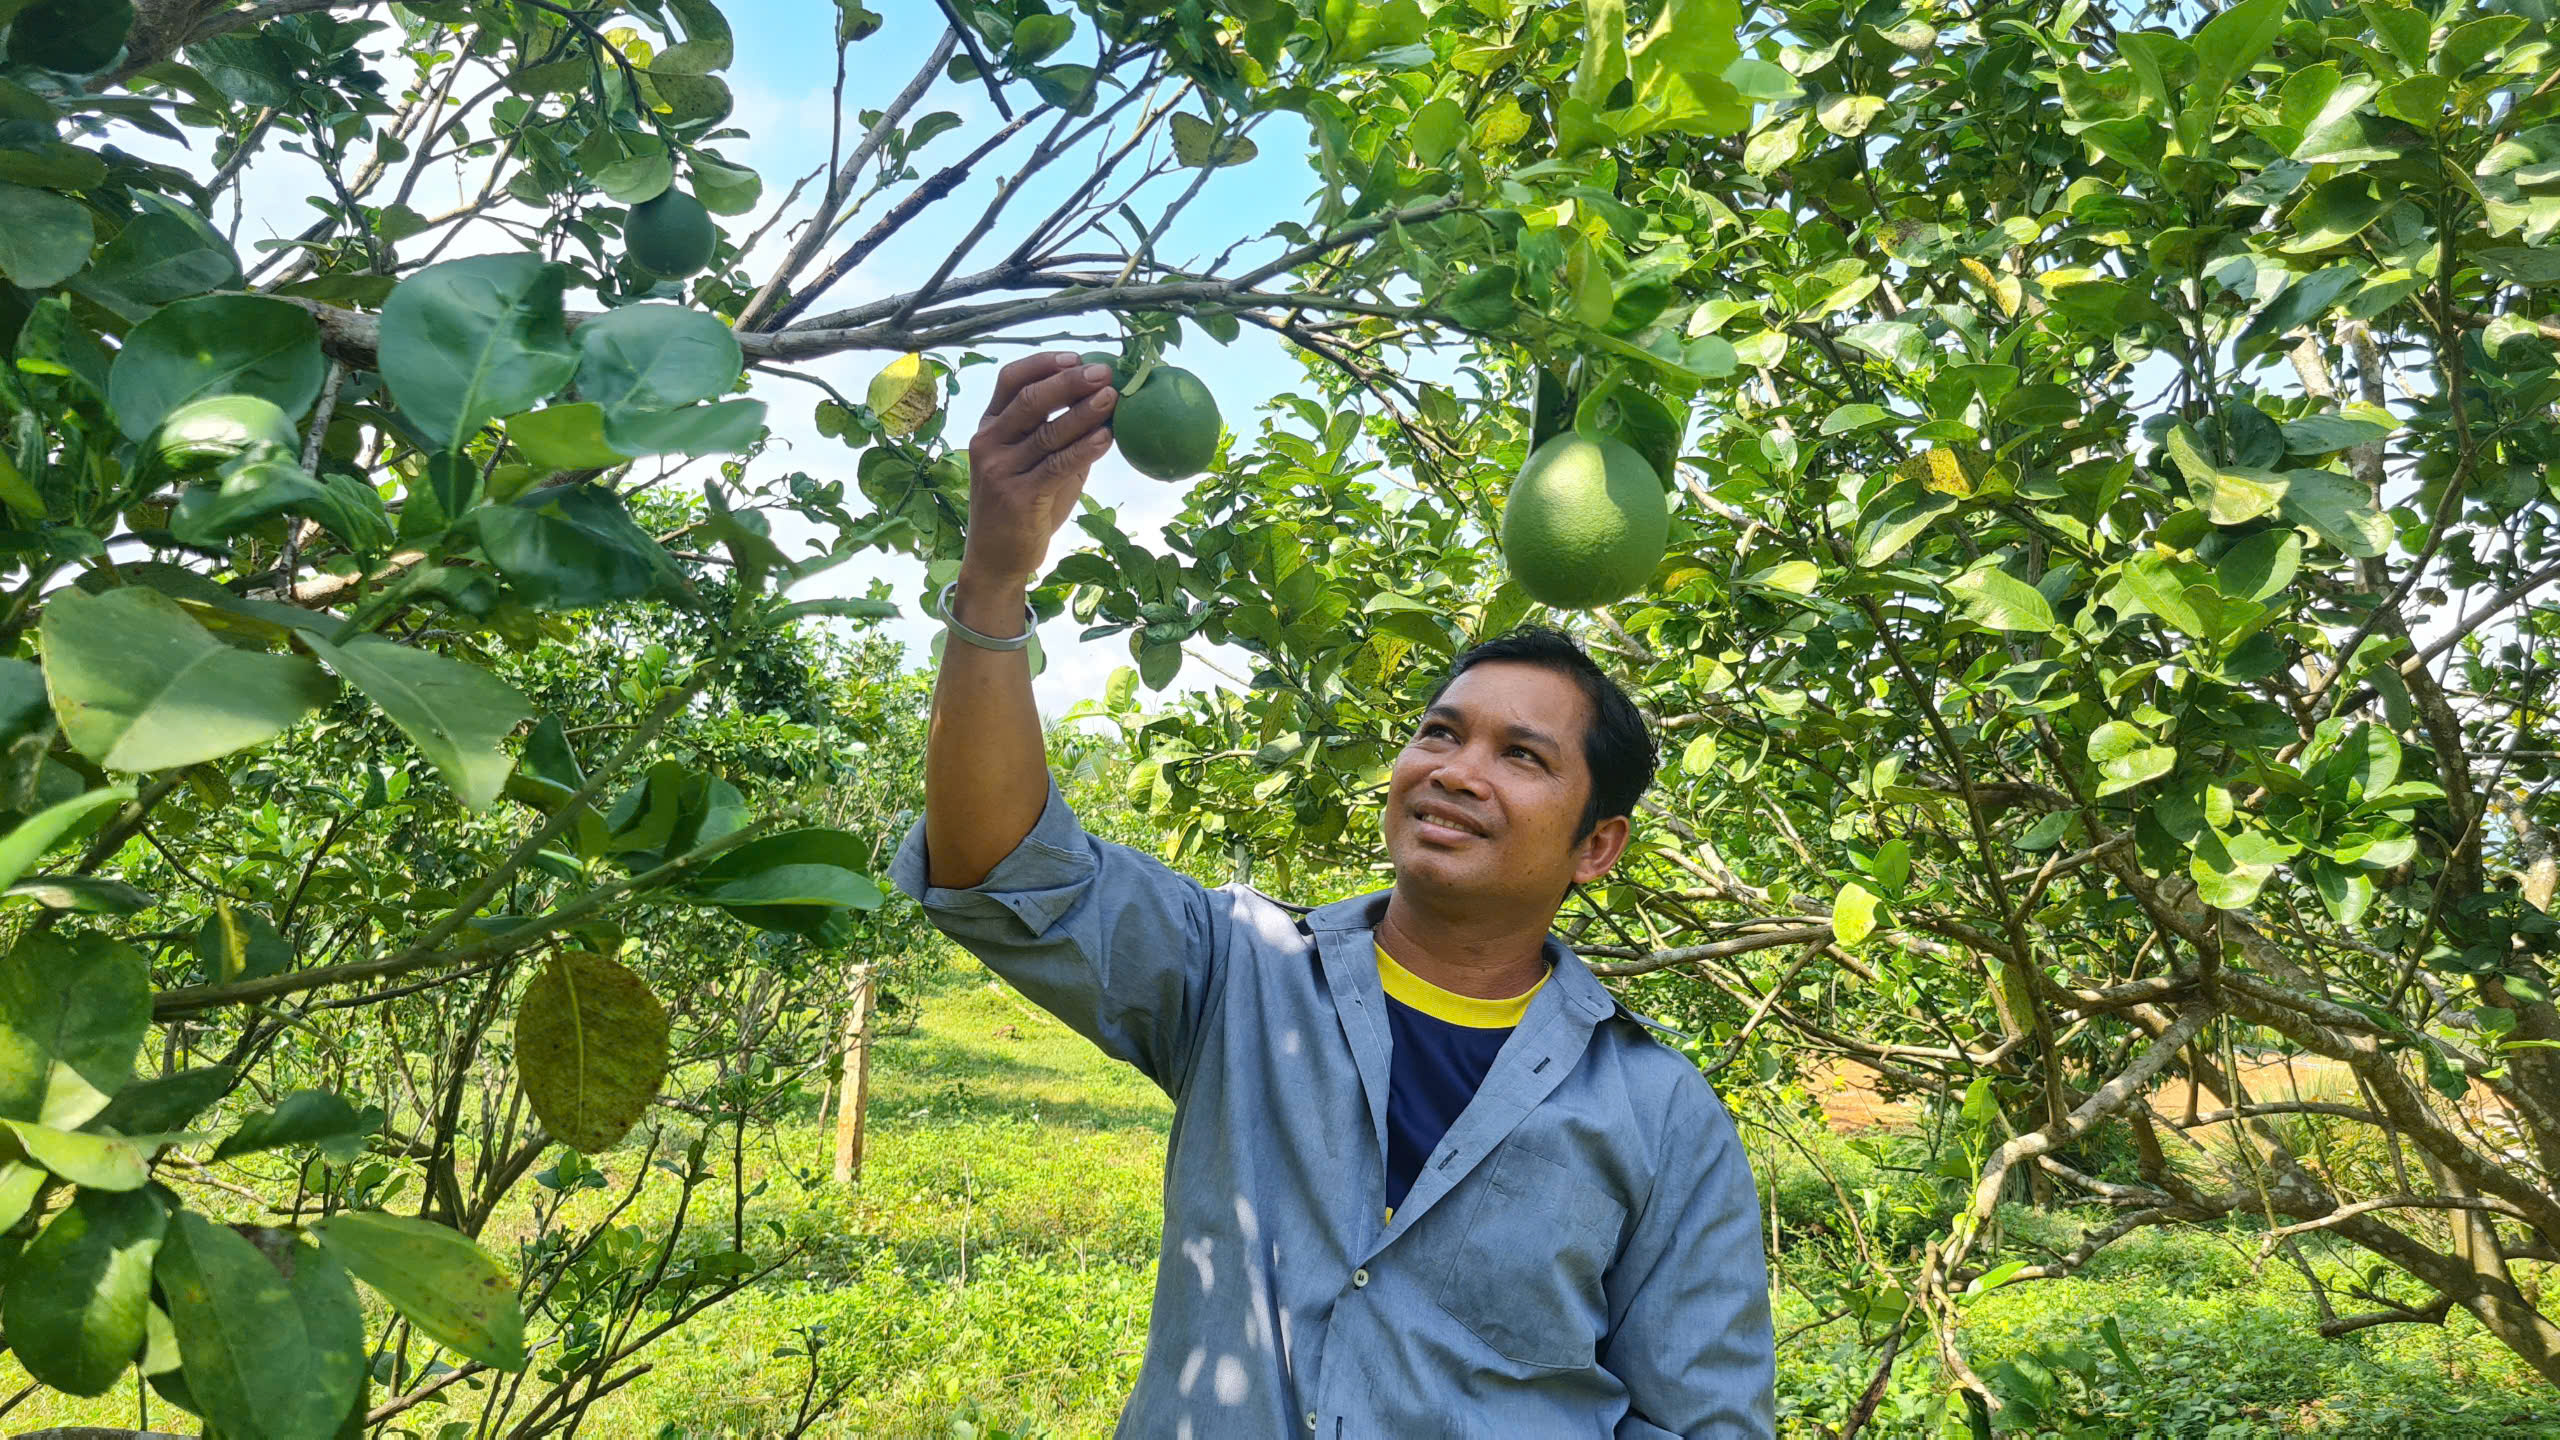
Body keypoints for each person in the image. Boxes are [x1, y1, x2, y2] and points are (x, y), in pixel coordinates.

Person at [889, 352, 1777, 1438]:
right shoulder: (1241, 975)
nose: (1455, 771)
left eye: (1521, 756)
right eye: (1439, 733)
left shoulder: (1658, 1113)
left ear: (1597, 847)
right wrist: (994, 580)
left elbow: (1704, 1419)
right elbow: (1001, 867)